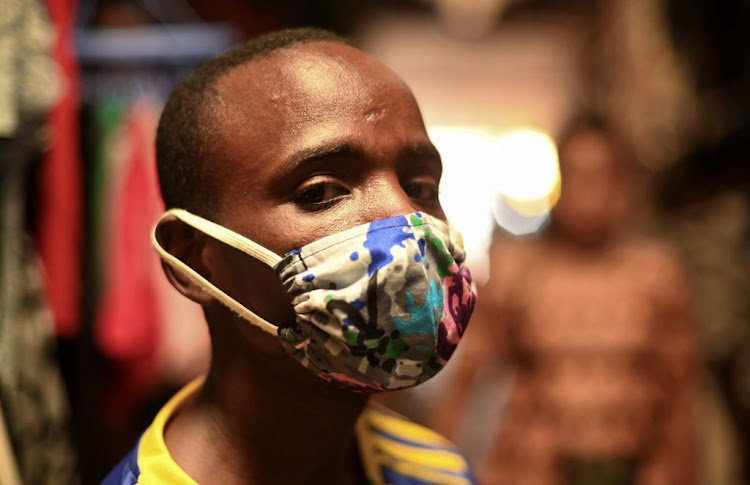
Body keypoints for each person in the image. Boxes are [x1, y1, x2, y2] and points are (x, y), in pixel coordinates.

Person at [103, 27, 477, 485]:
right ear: (196, 261)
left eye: (420, 187)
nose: (406, 216)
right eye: (320, 192)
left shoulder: (442, 472)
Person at [433, 116, 699, 485]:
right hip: (534, 467)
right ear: (561, 180)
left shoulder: (655, 274)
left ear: (623, 184)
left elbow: (680, 394)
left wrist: (681, 469)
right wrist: (436, 467)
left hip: (633, 465)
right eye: (578, 177)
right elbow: (469, 377)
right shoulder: (519, 272)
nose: (590, 193)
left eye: (602, 176)